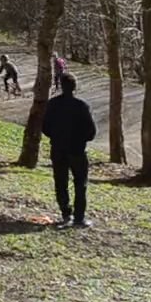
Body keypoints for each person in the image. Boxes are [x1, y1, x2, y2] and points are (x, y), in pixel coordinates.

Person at [42, 73, 97, 229]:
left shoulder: (52, 105)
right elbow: (91, 131)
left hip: (58, 149)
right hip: (77, 150)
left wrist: (56, 136)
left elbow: (45, 127)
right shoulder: (81, 106)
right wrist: (81, 139)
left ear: (60, 85)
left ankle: (66, 214)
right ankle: (79, 218)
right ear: (75, 87)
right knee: (80, 183)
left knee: (61, 182)